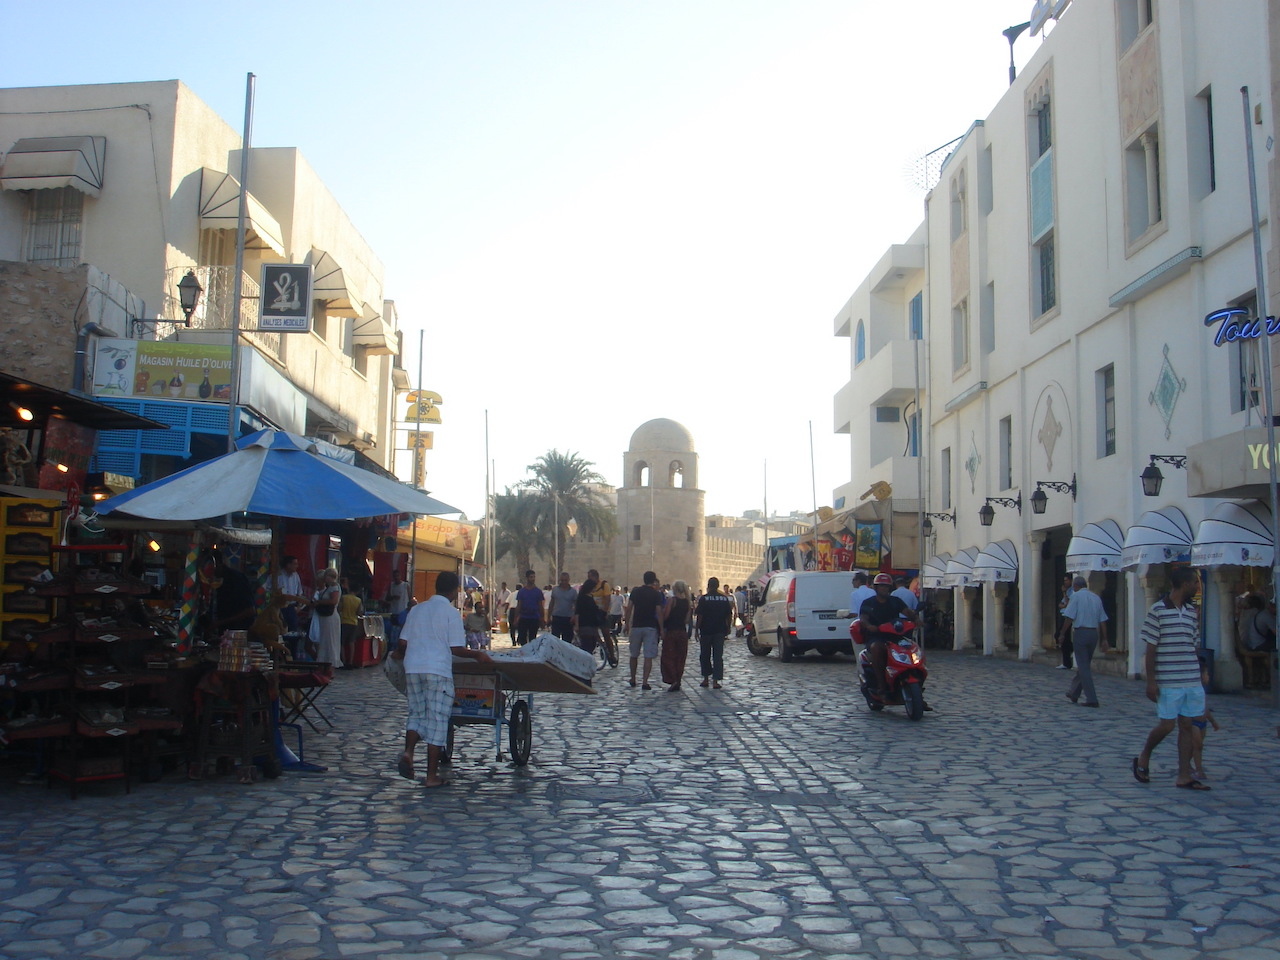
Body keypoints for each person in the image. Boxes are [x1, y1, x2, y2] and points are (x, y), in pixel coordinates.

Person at [394, 571, 492, 788]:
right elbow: (456, 649)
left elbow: (402, 643)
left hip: (413, 668)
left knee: (417, 714)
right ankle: (431, 776)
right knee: (437, 721)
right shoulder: (450, 614)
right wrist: (477, 654)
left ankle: (409, 752)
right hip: (436, 670)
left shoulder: (417, 610)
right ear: (454, 590)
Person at [1132, 567, 1209, 790]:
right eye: (1194, 582)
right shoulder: (1157, 611)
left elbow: (1193, 645)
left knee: (1187, 725)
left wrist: (1201, 671)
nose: (1197, 586)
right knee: (1167, 725)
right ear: (1184, 584)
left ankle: (1184, 775)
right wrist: (1151, 681)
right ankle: (1145, 754)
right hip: (1169, 680)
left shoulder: (1190, 612)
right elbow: (1151, 649)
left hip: (1190, 679)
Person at [858, 572, 918, 699]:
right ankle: (881, 685)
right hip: (877, 636)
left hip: (895, 636)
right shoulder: (869, 603)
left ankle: (918, 692)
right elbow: (863, 618)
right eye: (881, 586)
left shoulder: (895, 601)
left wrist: (915, 619)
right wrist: (869, 626)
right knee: (877, 648)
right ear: (876, 588)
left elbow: (907, 612)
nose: (884, 589)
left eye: (886, 586)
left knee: (913, 648)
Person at [1058, 575, 1109, 707]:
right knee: (1084, 664)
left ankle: (1092, 698)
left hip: (1081, 632)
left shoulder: (1076, 597)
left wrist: (1062, 633)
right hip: (1093, 634)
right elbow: (1103, 620)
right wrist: (1105, 639)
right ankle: (1073, 692)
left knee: (1084, 667)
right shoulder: (1096, 598)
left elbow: (1069, 617)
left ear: (1075, 586)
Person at [625, 571, 663, 690]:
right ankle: (645, 681)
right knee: (648, 656)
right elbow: (658, 612)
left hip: (636, 626)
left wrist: (626, 624)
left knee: (634, 654)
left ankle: (633, 678)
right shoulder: (656, 594)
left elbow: (629, 608)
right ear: (653, 581)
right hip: (650, 627)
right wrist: (662, 628)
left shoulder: (635, 591)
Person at [695, 576, 735, 688]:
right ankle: (716, 681)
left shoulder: (704, 598)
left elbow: (700, 615)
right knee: (718, 656)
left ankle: (706, 679)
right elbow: (729, 614)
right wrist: (728, 627)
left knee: (705, 655)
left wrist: (697, 630)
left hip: (706, 630)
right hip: (720, 630)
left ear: (708, 586)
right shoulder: (724, 598)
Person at [1190, 656, 1220, 782]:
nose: (1208, 676)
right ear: (1200, 675)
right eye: (1207, 674)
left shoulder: (1202, 691)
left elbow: (1205, 708)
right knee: (1198, 745)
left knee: (1197, 747)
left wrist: (1213, 721)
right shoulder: (1192, 691)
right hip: (1193, 723)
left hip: (1203, 723)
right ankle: (1199, 769)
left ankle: (1188, 764)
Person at [659, 580, 692, 691]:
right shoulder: (688, 602)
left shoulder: (672, 601)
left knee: (668, 657)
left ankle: (673, 680)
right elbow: (687, 620)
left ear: (675, 589)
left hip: (672, 632)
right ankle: (678, 679)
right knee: (680, 657)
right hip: (682, 632)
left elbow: (666, 615)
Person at [212, 556, 257, 634]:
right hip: (225, 631)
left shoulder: (236, 579)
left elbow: (250, 611)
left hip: (239, 631)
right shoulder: (221, 580)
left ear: (220, 564)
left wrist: (220, 622)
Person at [309, 568, 343, 667]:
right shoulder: (328, 588)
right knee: (324, 640)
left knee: (330, 640)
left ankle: (330, 662)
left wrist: (319, 602)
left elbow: (333, 601)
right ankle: (323, 662)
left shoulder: (334, 587)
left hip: (330, 617)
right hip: (325, 618)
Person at [573, 571, 605, 658]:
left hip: (592, 625)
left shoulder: (589, 598)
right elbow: (577, 612)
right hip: (585, 625)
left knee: (591, 646)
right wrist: (577, 625)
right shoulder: (583, 598)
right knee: (587, 647)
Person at [274, 555, 307, 633]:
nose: (297, 566)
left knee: (293, 630)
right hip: (279, 606)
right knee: (280, 629)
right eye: (295, 564)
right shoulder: (278, 576)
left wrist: (299, 606)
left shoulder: (295, 576)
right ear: (288, 565)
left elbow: (299, 592)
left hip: (292, 607)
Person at [513, 570, 545, 646]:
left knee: (533, 638)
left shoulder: (538, 592)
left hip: (534, 618)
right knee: (522, 638)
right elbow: (519, 606)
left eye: (534, 577)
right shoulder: (522, 592)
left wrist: (542, 618)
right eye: (531, 577)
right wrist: (515, 618)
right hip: (524, 617)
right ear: (527, 578)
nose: (533, 579)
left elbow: (540, 606)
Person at [338, 577, 364, 666]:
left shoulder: (344, 598)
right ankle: (351, 662)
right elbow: (359, 613)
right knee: (351, 642)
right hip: (354, 623)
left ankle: (343, 660)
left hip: (344, 622)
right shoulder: (358, 600)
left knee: (341, 642)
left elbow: (339, 609)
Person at [384, 569, 410, 653]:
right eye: (394, 576)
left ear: (400, 576)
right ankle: (392, 649)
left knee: (402, 631)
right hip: (393, 612)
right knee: (393, 632)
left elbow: (410, 598)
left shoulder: (405, 585)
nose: (396, 578)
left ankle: (401, 650)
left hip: (403, 612)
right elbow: (387, 598)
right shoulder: (391, 586)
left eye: (397, 576)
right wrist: (393, 597)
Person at [548, 571, 578, 644]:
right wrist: (549, 616)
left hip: (568, 618)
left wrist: (574, 617)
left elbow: (576, 606)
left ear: (568, 580)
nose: (564, 582)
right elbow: (552, 603)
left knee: (567, 641)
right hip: (557, 617)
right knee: (555, 640)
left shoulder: (573, 592)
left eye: (565, 580)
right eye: (562, 580)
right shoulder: (555, 590)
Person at [1057, 576, 1076, 670]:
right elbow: (1060, 605)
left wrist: (1064, 593)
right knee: (1061, 637)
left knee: (1062, 636)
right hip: (1063, 615)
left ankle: (1067, 660)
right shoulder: (1068, 591)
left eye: (1066, 580)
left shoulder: (1072, 591)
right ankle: (1068, 656)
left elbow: (1068, 604)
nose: (1065, 582)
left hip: (1068, 617)